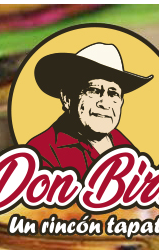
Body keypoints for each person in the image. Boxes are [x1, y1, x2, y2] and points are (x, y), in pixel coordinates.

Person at [27, 42, 152, 176]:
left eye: (113, 94)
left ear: (121, 102)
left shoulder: (122, 142)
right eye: (94, 91)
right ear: (67, 98)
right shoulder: (40, 152)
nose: (105, 104)